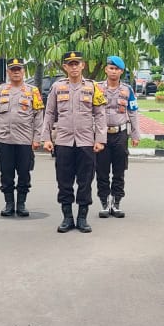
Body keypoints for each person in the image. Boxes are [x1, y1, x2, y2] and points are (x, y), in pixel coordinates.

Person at [41, 50, 107, 233]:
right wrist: (46, 138)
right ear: (65, 67)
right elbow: (50, 113)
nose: (74, 67)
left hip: (86, 142)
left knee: (85, 181)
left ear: (82, 65)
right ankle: (67, 218)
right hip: (64, 142)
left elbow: (100, 115)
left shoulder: (93, 87)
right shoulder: (57, 87)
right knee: (64, 181)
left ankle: (82, 218)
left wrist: (100, 139)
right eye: (70, 64)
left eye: (77, 63)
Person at [0, 58, 44, 217]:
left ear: (23, 71)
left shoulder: (33, 91)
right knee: (6, 174)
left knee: (24, 173)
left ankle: (21, 204)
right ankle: (9, 203)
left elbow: (39, 116)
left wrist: (37, 138)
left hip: (25, 141)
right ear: (8, 72)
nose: (16, 72)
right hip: (4, 140)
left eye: (19, 69)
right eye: (13, 69)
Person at [96, 55, 140, 218]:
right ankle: (104, 202)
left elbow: (133, 112)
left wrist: (135, 134)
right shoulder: (97, 88)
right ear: (106, 70)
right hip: (101, 135)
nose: (113, 71)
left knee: (119, 170)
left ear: (121, 72)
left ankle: (116, 202)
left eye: (117, 69)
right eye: (111, 68)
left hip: (120, 134)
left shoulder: (127, 90)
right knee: (101, 171)